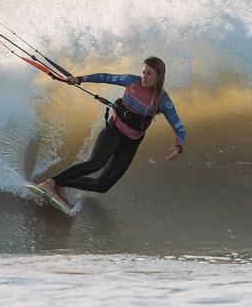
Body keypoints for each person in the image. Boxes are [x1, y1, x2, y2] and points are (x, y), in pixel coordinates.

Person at [37, 56, 186, 208]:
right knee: (95, 164)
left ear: (159, 76)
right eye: (143, 72)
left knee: (102, 185)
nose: (144, 77)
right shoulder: (131, 81)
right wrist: (79, 79)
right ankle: (50, 183)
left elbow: (179, 127)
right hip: (114, 131)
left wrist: (178, 146)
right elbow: (105, 77)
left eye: (149, 73)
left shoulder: (162, 100)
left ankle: (60, 185)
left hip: (131, 143)